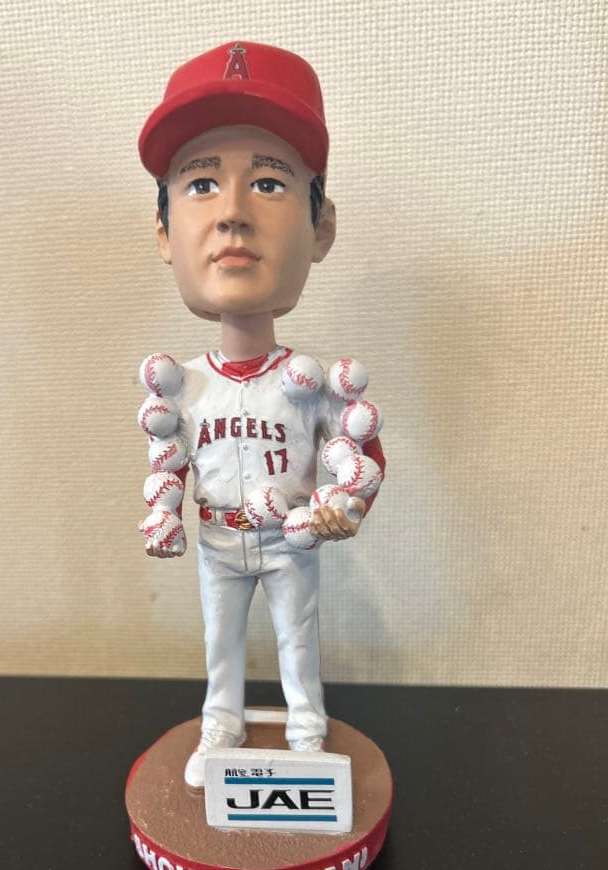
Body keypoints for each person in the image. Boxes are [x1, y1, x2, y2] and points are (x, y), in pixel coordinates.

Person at [137, 42, 385, 788]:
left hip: (287, 539)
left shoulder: (311, 381)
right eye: (201, 183)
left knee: (297, 639)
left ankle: (306, 732)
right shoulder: (181, 384)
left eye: (270, 183)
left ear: (321, 226)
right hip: (218, 536)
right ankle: (222, 722)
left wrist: (346, 505)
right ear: (163, 232)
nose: (233, 214)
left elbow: (360, 455)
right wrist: (163, 515)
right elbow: (167, 464)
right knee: (220, 642)